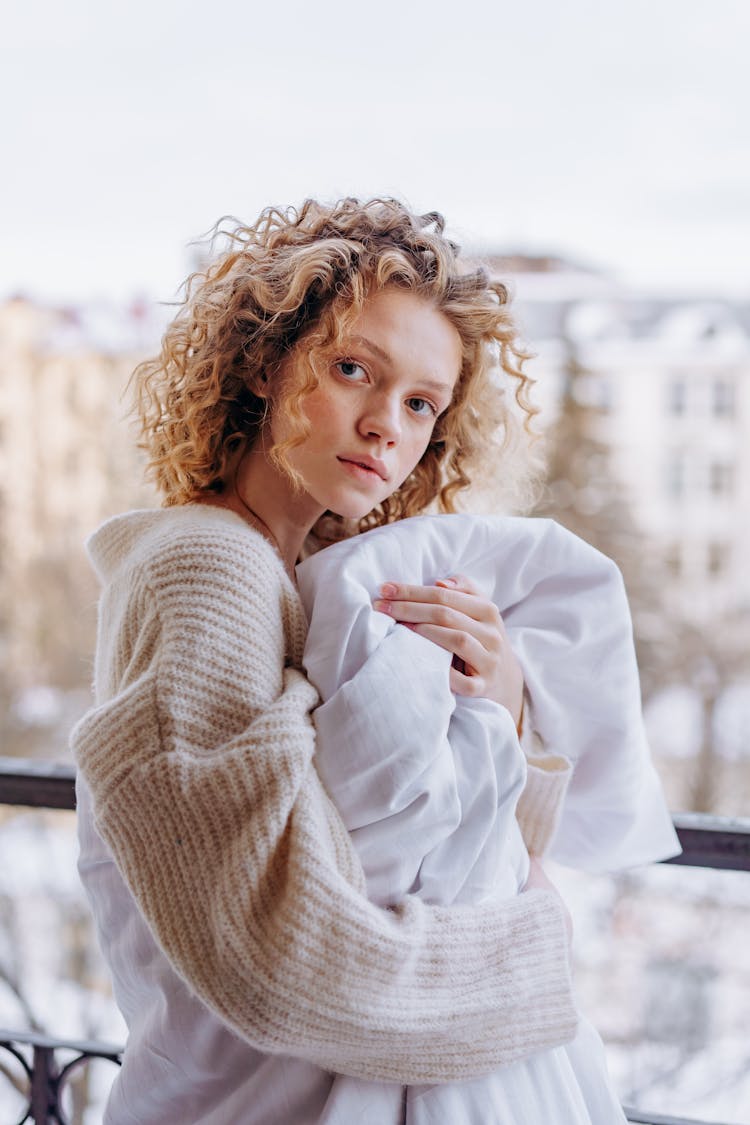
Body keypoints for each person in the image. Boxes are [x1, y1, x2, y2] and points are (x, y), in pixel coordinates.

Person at [73, 197, 599, 1123]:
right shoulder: (209, 571)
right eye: (355, 369)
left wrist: (502, 709)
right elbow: (281, 965)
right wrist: (541, 949)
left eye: (421, 403)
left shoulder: (321, 572)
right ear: (267, 365)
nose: (385, 425)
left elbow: (430, 848)